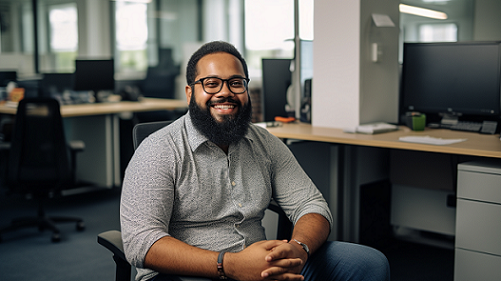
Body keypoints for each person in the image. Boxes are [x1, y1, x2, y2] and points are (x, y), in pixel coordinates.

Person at [120, 41, 390, 281]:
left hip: (262, 265)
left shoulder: (264, 142)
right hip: (185, 273)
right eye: (211, 83)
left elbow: (311, 204)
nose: (225, 92)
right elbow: (141, 242)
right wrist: (230, 265)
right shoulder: (158, 150)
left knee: (369, 265)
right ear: (190, 93)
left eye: (236, 83)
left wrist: (299, 248)